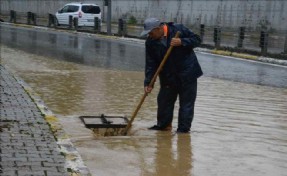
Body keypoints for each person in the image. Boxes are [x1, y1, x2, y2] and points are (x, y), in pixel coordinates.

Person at [140, 17, 203, 133]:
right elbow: (150, 64)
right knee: (164, 101)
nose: (149, 35)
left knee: (186, 104)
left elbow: (197, 39)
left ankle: (183, 132)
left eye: (151, 32)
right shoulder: (150, 42)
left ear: (158, 29)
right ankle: (163, 127)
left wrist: (182, 42)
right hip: (168, 76)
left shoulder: (178, 29)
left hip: (187, 74)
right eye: (148, 33)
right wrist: (149, 83)